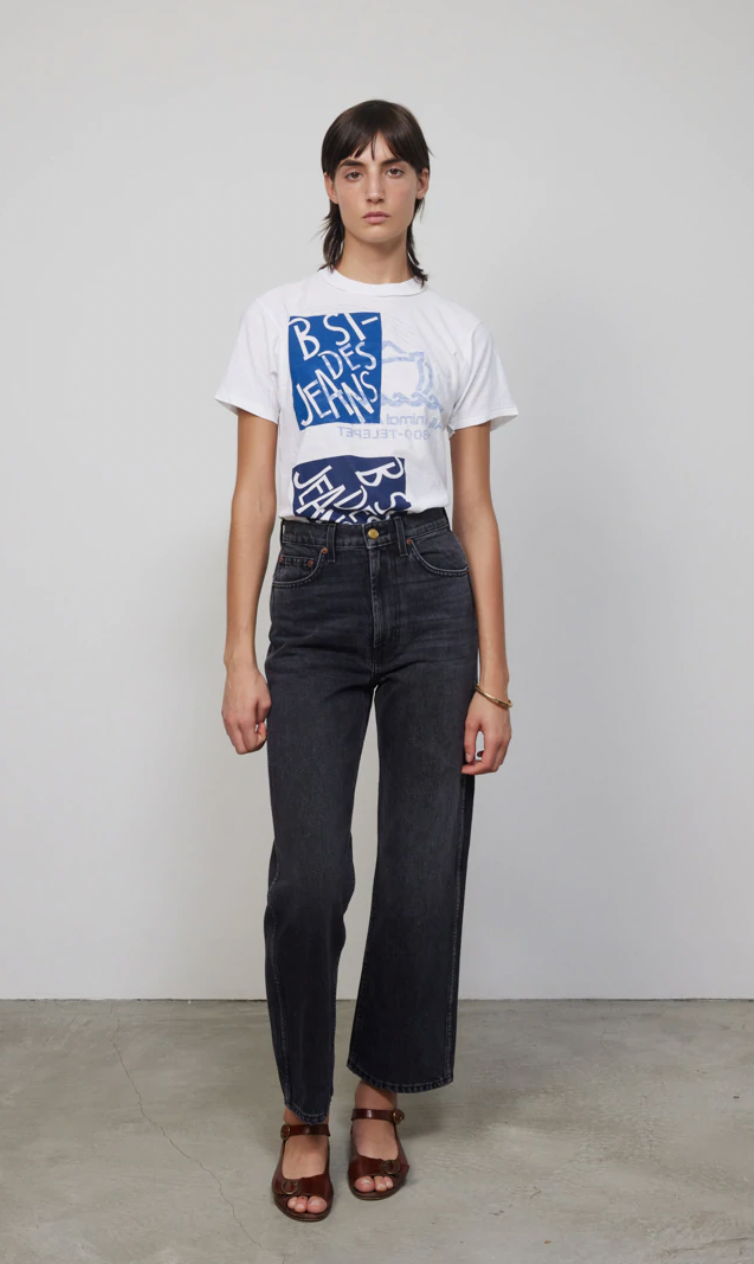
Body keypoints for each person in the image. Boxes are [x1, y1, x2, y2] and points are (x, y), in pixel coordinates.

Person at [215, 99, 518, 1223]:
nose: (374, 187)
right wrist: (238, 652)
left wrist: (495, 680)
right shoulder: (282, 316)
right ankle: (304, 1108)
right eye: (353, 169)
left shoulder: (457, 331)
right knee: (309, 876)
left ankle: (378, 1090)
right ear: (331, 188)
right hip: (317, 586)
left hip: (432, 588)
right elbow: (253, 493)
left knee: (422, 863)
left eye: (394, 168)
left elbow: (476, 511)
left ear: (423, 183)